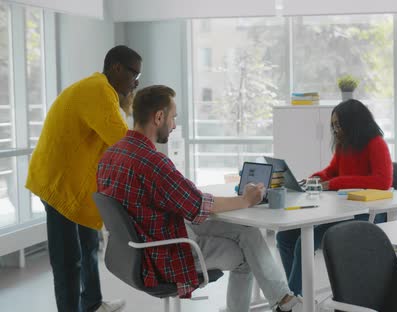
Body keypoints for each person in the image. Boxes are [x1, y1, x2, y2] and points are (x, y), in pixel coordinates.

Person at [96, 85, 302, 312]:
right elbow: (197, 205)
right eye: (173, 118)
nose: (174, 125)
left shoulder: (111, 154)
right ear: (159, 117)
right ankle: (283, 302)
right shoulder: (152, 162)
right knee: (248, 257)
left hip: (138, 249)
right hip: (167, 254)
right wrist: (245, 201)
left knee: (248, 232)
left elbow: (186, 201)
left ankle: (284, 300)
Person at [25, 45, 142, 312]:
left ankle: (92, 303)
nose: (135, 82)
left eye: (139, 77)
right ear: (116, 68)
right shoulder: (97, 90)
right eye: (133, 73)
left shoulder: (103, 92)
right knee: (68, 259)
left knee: (89, 246)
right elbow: (124, 144)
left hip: (77, 187)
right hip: (59, 185)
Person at [276, 99, 393, 295]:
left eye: (339, 124)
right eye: (333, 125)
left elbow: (382, 181)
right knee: (285, 236)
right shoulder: (344, 145)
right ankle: (298, 297)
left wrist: (333, 183)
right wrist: (314, 179)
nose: (336, 129)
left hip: (366, 216)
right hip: (342, 213)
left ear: (353, 122)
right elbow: (332, 171)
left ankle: (294, 300)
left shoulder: (376, 143)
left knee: (304, 240)